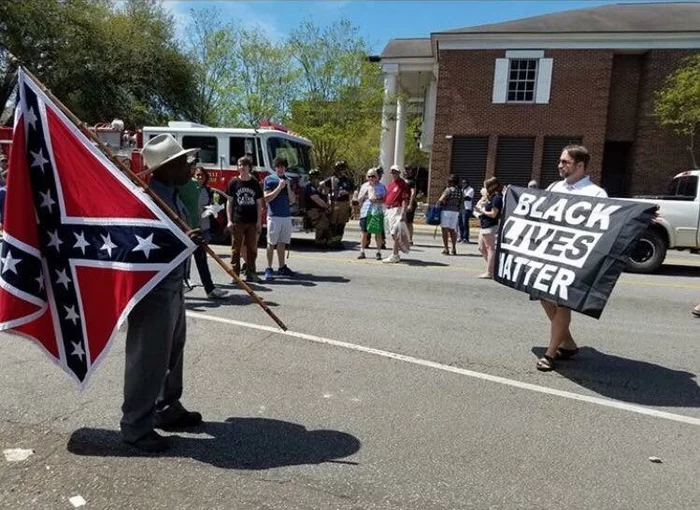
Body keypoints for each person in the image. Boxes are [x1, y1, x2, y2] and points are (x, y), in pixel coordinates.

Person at [121, 134, 205, 452]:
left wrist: (188, 239)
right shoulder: (146, 198)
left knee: (172, 351)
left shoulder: (173, 193)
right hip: (153, 287)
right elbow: (138, 244)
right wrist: (180, 241)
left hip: (173, 283)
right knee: (148, 358)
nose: (190, 166)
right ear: (168, 167)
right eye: (184, 162)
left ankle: (167, 408)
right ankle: (135, 426)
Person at [535, 144, 607, 372]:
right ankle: (568, 344)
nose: (559, 165)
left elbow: (604, 226)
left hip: (573, 259)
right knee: (544, 298)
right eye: (560, 161)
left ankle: (550, 353)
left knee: (563, 302)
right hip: (549, 254)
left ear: (580, 165)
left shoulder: (596, 194)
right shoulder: (555, 187)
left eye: (565, 162)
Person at [179, 162, 227, 299]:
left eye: (195, 167)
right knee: (182, 260)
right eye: (192, 169)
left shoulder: (200, 187)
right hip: (185, 229)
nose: (196, 174)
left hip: (197, 229)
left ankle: (209, 289)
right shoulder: (182, 185)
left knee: (201, 260)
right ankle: (181, 286)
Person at [226, 156, 263, 283]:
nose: (242, 167)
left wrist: (259, 221)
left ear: (249, 167)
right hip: (238, 220)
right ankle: (235, 275)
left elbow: (259, 203)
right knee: (236, 248)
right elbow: (229, 203)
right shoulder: (233, 182)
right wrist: (229, 220)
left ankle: (251, 272)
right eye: (240, 165)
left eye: (244, 165)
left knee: (252, 248)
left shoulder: (254, 183)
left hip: (252, 221)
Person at [263, 156, 296, 281]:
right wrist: (278, 187)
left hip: (286, 216)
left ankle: (282, 266)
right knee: (271, 243)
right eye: (278, 167)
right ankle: (268, 267)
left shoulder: (288, 180)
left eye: (283, 167)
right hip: (274, 216)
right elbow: (267, 198)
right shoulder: (269, 179)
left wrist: (287, 187)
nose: (281, 169)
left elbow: (292, 200)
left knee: (282, 243)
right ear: (275, 168)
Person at [474, 176, 503, 279]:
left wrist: (483, 211)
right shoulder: (491, 197)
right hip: (484, 225)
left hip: (490, 225)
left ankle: (490, 272)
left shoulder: (497, 198)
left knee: (490, 249)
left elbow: (494, 214)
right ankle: (494, 268)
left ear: (492, 186)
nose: (485, 188)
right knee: (481, 248)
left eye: (487, 186)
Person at [356, 167, 387, 260]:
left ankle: (378, 252)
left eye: (373, 176)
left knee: (378, 232)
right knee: (364, 232)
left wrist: (377, 200)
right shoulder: (364, 186)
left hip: (376, 212)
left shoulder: (381, 186)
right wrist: (361, 197)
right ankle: (362, 251)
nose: (371, 178)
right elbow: (359, 199)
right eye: (369, 176)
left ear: (377, 177)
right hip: (365, 212)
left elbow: (385, 199)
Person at [323, 160, 355, 248]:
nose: (342, 171)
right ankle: (331, 241)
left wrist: (347, 194)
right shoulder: (331, 179)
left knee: (342, 223)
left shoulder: (348, 180)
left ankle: (338, 241)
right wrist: (327, 200)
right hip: (334, 203)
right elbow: (323, 187)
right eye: (340, 169)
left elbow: (352, 191)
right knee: (332, 223)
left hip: (344, 204)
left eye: (343, 169)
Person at [382, 165, 410, 263]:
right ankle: (397, 251)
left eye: (396, 172)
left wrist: (403, 212)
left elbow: (404, 199)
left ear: (399, 173)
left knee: (396, 233)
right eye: (392, 172)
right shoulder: (391, 184)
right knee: (392, 233)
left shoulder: (403, 184)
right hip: (389, 210)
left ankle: (395, 254)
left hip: (396, 209)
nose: (394, 174)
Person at [305, 169, 331, 247]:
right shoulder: (310, 188)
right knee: (321, 224)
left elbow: (325, 196)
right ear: (312, 179)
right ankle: (319, 241)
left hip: (321, 209)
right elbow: (317, 199)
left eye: (319, 178)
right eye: (317, 178)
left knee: (327, 224)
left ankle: (326, 240)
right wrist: (327, 207)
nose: (318, 180)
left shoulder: (318, 188)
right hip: (313, 210)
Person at [437, 174, 462, 255]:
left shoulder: (448, 190)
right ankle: (454, 248)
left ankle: (446, 248)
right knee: (452, 230)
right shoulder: (460, 191)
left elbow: (441, 199)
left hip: (446, 211)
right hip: (456, 212)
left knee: (444, 230)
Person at [404, 165, 418, 245]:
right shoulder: (403, 180)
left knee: (409, 222)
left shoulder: (412, 181)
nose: (407, 171)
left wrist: (410, 204)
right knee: (403, 221)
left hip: (409, 202)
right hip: (403, 202)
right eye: (406, 169)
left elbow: (413, 193)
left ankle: (410, 239)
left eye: (408, 169)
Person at [459, 178, 474, 243]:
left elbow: (467, 198)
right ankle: (461, 237)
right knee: (460, 224)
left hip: (466, 208)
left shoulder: (471, 189)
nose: (463, 184)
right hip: (460, 208)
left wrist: (461, 194)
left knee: (465, 223)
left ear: (467, 184)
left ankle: (466, 238)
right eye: (462, 183)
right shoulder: (462, 189)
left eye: (464, 183)